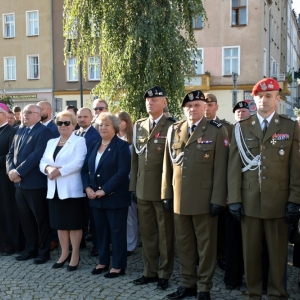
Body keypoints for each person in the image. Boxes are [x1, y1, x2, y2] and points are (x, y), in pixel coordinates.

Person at [228, 78, 300, 300]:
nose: (264, 100)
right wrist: (234, 199)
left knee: (278, 254)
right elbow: (233, 167)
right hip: (249, 202)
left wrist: (295, 199)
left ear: (277, 99)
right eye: (260, 96)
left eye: (269, 96)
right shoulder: (240, 128)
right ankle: (254, 293)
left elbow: (295, 167)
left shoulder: (290, 127)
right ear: (253, 99)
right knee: (250, 254)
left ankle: (277, 293)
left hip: (278, 203)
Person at [162, 90, 228, 300]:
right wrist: (166, 193)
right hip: (180, 199)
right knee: (184, 245)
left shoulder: (216, 130)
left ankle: (204, 288)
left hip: (204, 200)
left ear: (205, 107)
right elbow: (167, 165)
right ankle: (187, 283)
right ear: (184, 109)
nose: (193, 109)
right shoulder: (175, 129)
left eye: (197, 105)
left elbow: (221, 169)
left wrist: (218, 199)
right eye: (189, 106)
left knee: (206, 247)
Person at [130, 86, 175, 291]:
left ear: (164, 103)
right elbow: (135, 160)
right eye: (148, 99)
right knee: (147, 233)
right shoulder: (139, 125)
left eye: (155, 100)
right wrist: (133, 187)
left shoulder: (172, 125)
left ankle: (164, 273)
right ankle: (149, 271)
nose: (150, 102)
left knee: (165, 235)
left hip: (162, 189)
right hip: (142, 189)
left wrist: (171, 191)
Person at [81, 112, 131, 278]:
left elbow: (122, 172)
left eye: (107, 125)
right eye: (100, 125)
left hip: (115, 198)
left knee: (116, 232)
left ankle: (118, 265)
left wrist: (105, 190)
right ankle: (103, 261)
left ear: (115, 127)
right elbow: (86, 170)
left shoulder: (121, 146)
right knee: (100, 231)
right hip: (95, 197)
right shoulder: (94, 144)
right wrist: (87, 188)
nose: (103, 128)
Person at [40, 111, 87, 271]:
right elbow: (42, 161)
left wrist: (59, 171)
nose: (63, 126)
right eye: (60, 123)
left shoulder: (79, 141)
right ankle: (64, 253)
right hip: (54, 189)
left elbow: (79, 163)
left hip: (72, 189)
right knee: (60, 224)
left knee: (73, 224)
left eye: (67, 123)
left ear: (74, 125)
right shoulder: (51, 142)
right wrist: (49, 168)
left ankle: (75, 255)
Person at [7, 104, 53, 264]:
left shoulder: (44, 131)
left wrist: (18, 172)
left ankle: (44, 252)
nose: (24, 115)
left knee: (40, 219)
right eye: (24, 112)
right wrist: (11, 171)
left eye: (29, 113)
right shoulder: (19, 130)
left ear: (38, 116)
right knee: (25, 219)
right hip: (19, 185)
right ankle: (30, 249)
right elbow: (10, 152)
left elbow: (37, 155)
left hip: (35, 184)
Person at [204, 92, 232, 272]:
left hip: (219, 181)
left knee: (220, 225)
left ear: (216, 107)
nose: (206, 107)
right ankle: (203, 257)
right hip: (200, 183)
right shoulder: (194, 127)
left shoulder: (226, 128)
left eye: (210, 104)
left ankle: (221, 255)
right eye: (204, 104)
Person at [75, 107, 100, 257]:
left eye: (85, 117)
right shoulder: (75, 133)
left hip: (91, 181)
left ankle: (97, 244)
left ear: (91, 118)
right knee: (80, 214)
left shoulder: (95, 135)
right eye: (79, 117)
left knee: (94, 216)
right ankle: (81, 241)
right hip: (77, 180)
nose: (82, 119)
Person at [0, 103, 24, 256]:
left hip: (5, 180)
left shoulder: (12, 132)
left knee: (8, 211)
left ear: (2, 114)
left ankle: (10, 244)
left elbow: (13, 157)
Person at [37, 101, 60, 252]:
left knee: (51, 210)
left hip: (54, 176)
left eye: (42, 109)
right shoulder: (37, 128)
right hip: (42, 173)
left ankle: (54, 239)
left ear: (49, 110)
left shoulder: (54, 128)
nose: (39, 111)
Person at [116, 111, 137, 256]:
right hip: (115, 180)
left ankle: (131, 245)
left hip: (129, 179)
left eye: (122, 120)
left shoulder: (133, 138)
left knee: (130, 216)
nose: (119, 123)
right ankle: (120, 243)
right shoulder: (113, 138)